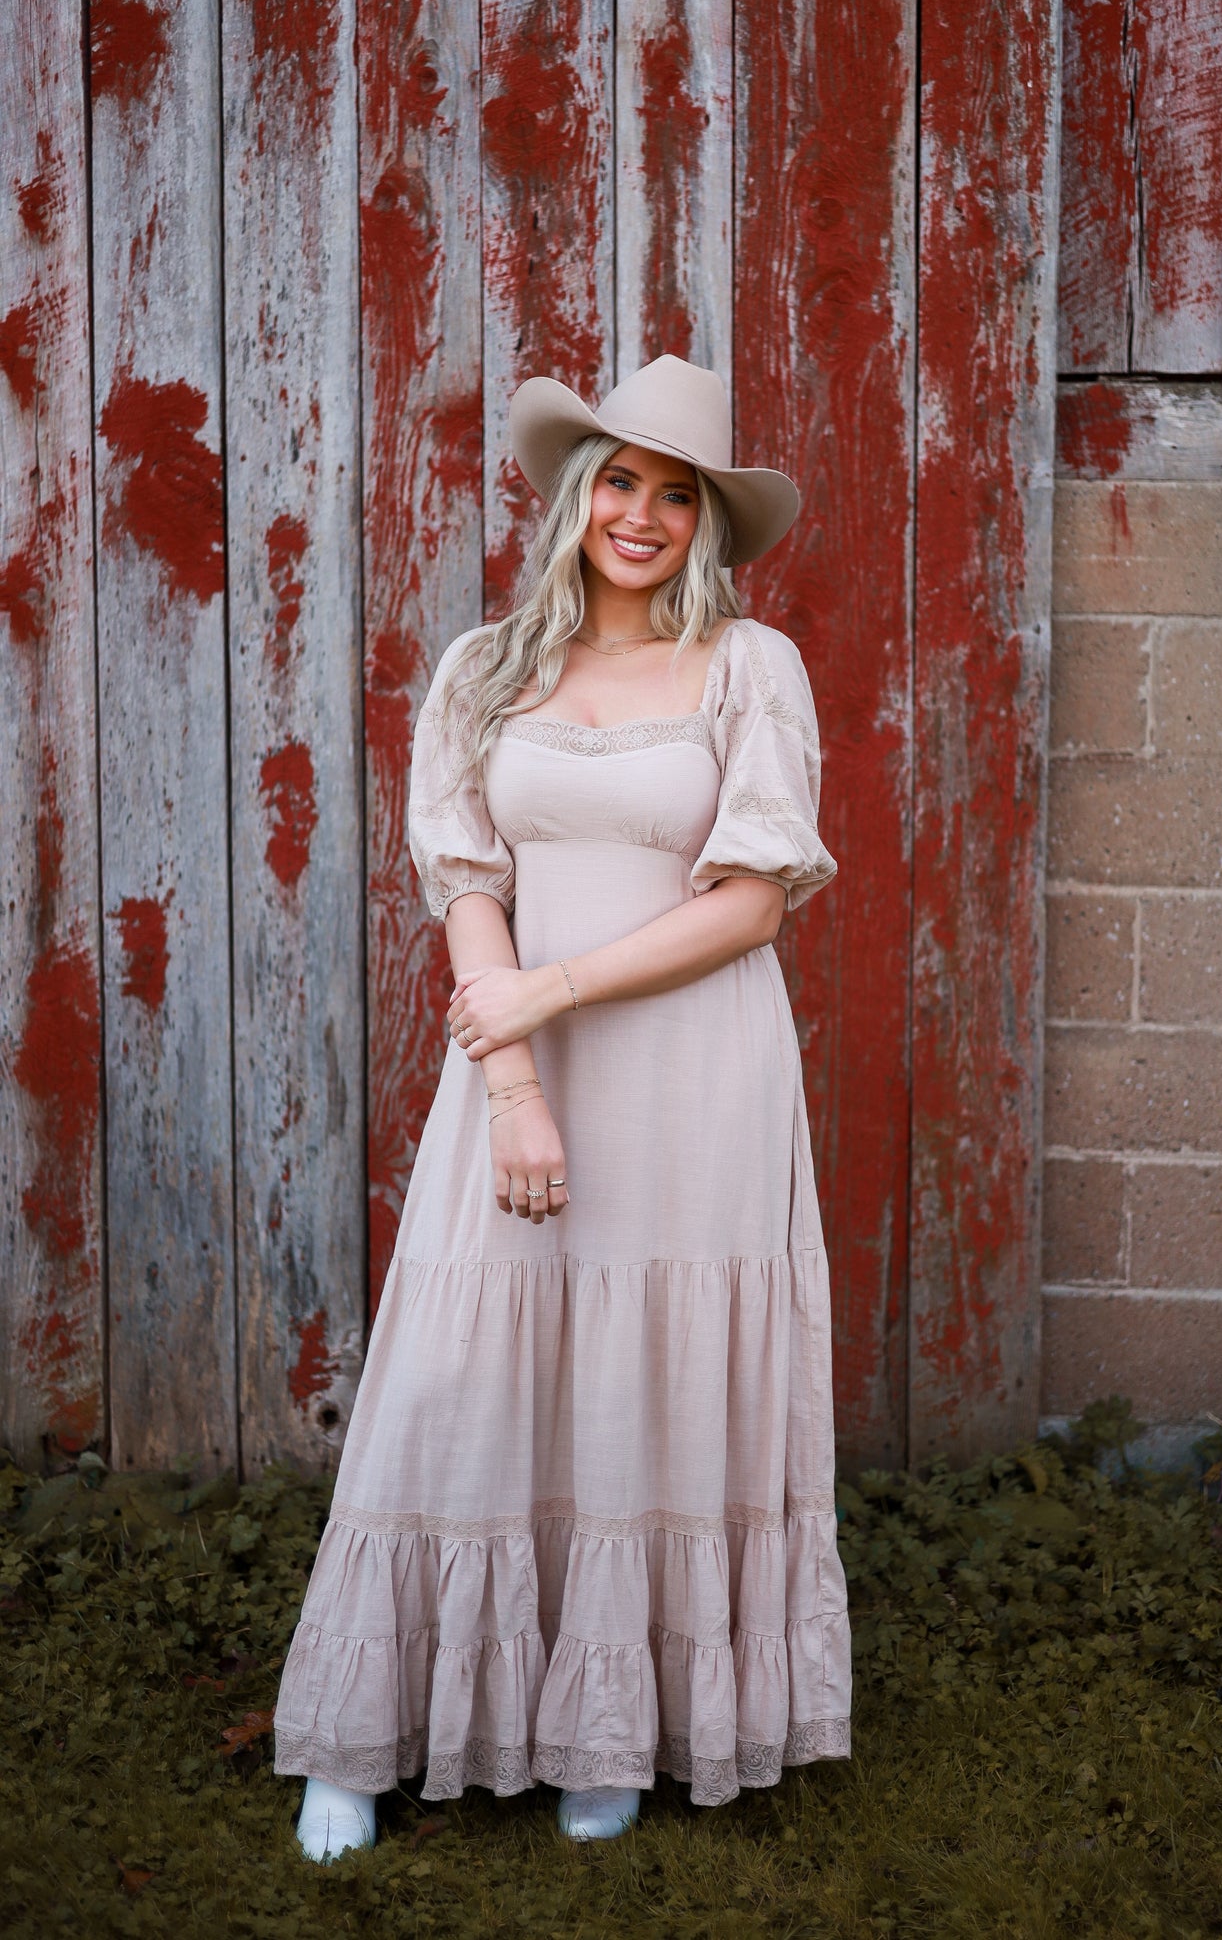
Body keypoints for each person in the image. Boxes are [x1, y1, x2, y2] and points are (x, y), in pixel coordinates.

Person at [274, 354, 851, 1858]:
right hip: (514, 1074)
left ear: (706, 523)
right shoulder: (484, 670)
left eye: (676, 493)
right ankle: (365, 1726)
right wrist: (514, 1071)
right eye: (619, 480)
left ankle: (616, 1724)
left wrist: (552, 989)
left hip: (696, 1077)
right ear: (572, 493)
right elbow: (469, 884)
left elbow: (748, 903)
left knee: (654, 1372)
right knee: (459, 1372)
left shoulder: (747, 666)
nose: (642, 514)